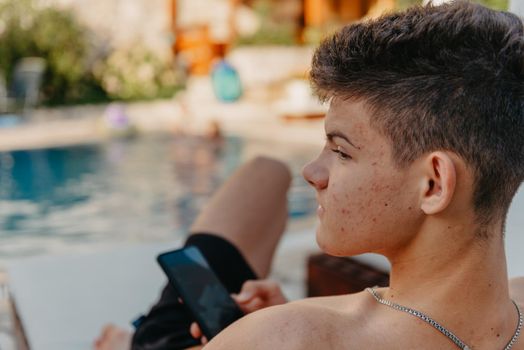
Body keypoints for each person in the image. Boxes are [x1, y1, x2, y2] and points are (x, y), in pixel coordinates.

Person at [95, 1, 524, 349]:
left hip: (180, 338)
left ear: (433, 184)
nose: (313, 171)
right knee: (267, 173)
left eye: (340, 151)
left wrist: (286, 324)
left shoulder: (285, 335)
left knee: (262, 175)